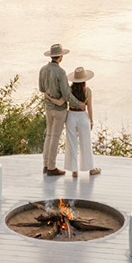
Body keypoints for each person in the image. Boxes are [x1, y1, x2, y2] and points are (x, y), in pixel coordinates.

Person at [38, 43, 83, 176]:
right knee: (55, 138)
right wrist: (79, 104)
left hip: (48, 108)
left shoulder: (43, 69)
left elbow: (41, 88)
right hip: (59, 110)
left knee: (49, 135)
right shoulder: (60, 72)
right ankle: (52, 167)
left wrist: (50, 97)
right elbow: (67, 94)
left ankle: (45, 165)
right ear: (61, 57)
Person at [65, 66, 98, 178]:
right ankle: (91, 169)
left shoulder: (69, 90)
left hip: (71, 115)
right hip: (83, 117)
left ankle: (74, 170)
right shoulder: (87, 91)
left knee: (71, 143)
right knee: (86, 142)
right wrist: (91, 120)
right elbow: (90, 107)